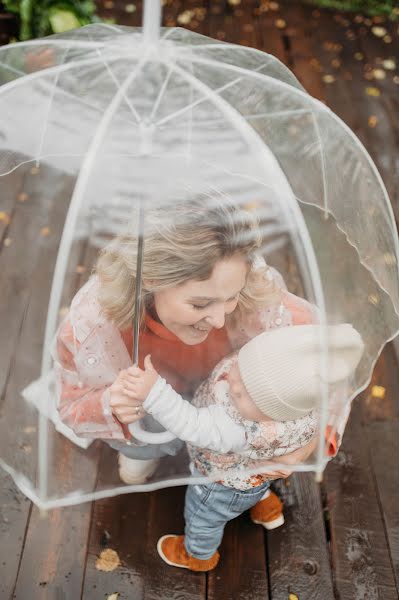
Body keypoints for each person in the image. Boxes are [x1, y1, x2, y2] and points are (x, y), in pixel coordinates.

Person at [55, 194, 323, 527]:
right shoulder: (93, 325)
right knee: (143, 440)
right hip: (153, 411)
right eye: (200, 304)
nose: (220, 321)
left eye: (231, 297)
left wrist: (312, 438)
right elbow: (71, 403)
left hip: (232, 409)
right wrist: (110, 404)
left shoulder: (259, 300)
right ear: (151, 280)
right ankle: (145, 452)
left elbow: (323, 361)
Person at [117, 323, 364, 571]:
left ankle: (199, 555)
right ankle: (266, 507)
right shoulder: (302, 403)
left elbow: (192, 424)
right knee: (255, 484)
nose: (233, 385)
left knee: (203, 517)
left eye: (245, 395)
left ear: (271, 416)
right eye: (241, 369)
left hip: (219, 484)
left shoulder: (241, 429)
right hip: (251, 476)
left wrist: (154, 393)